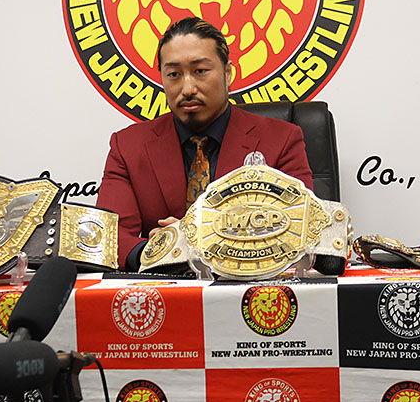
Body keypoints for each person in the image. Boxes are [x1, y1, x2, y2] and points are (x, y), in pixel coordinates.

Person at [96, 17, 314, 270]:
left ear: (227, 73)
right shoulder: (128, 146)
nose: (187, 88)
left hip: (250, 286)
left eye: (200, 71)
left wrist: (192, 240)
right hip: (163, 286)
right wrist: (162, 252)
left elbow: (303, 232)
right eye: (174, 75)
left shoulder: (281, 139)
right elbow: (108, 239)